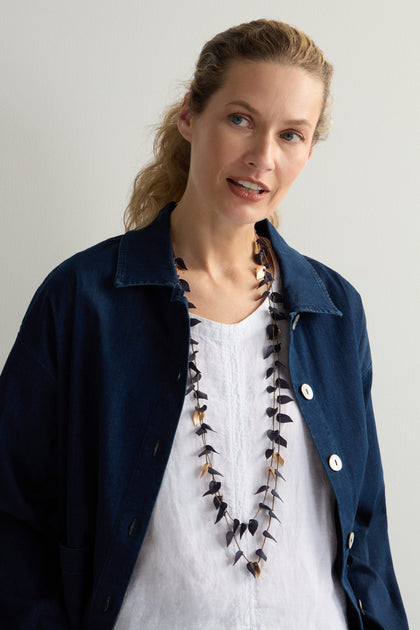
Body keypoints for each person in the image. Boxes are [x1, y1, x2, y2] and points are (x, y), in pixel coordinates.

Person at [0, 18, 408, 630]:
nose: (263, 158)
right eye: (240, 119)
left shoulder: (335, 312)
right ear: (191, 115)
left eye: (291, 135)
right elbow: (13, 522)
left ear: (308, 149)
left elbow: (366, 537)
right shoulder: (84, 302)